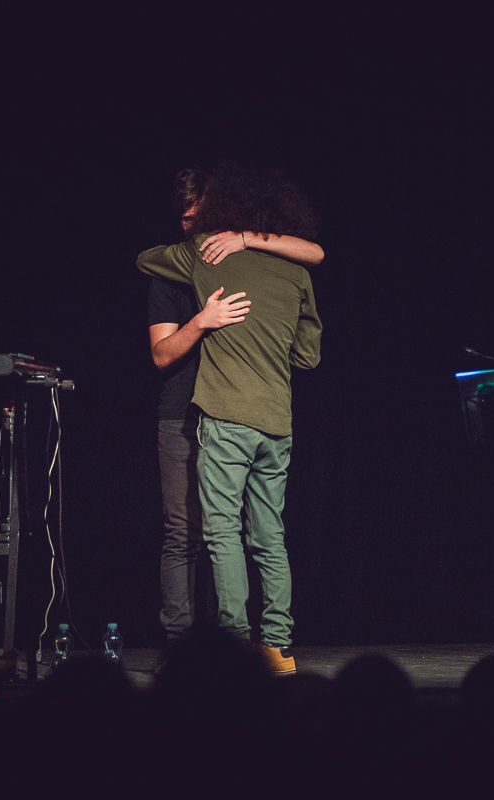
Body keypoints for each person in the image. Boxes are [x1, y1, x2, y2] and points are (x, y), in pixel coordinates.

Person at [139, 162, 322, 674]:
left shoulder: (202, 256)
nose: (193, 225)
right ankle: (278, 648)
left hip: (225, 415)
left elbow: (143, 258)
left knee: (221, 534)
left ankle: (237, 650)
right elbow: (308, 356)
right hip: (275, 420)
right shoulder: (296, 272)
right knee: (267, 536)